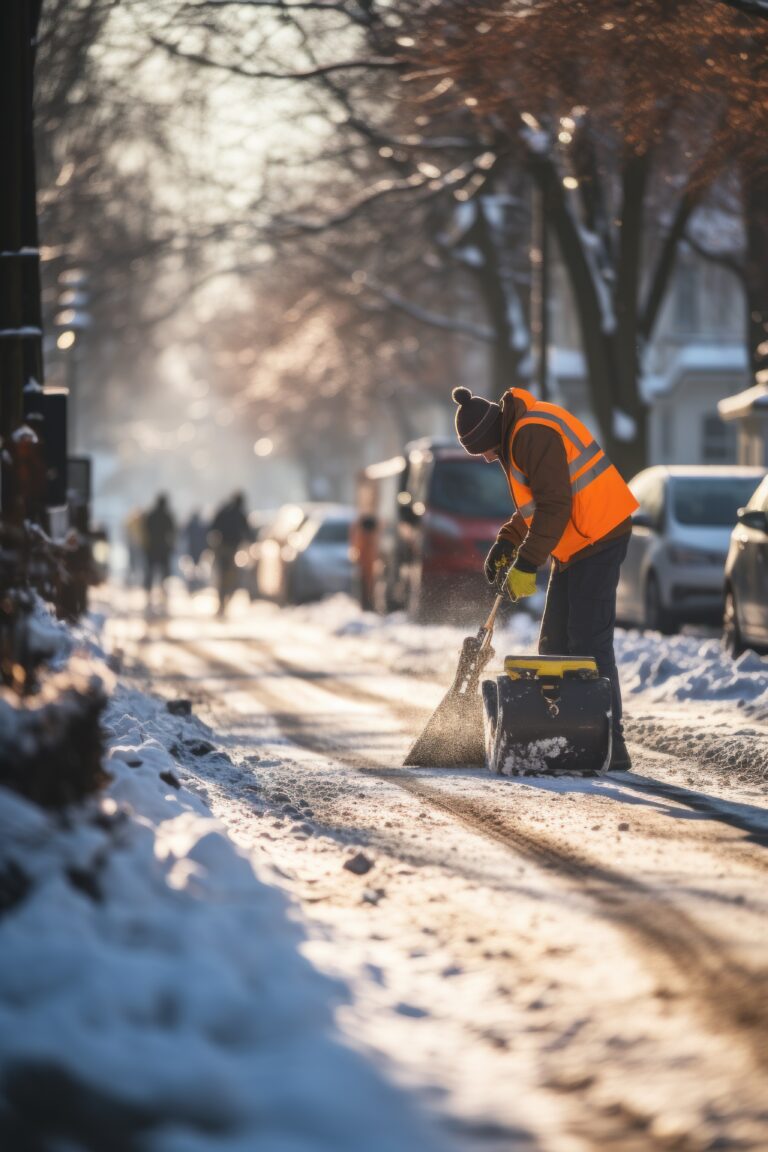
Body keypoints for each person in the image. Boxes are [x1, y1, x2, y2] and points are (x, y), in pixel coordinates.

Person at [452, 385, 638, 771]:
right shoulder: (518, 431)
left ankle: (610, 743)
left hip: (599, 534)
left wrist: (526, 563)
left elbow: (555, 503)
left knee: (588, 642)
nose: (487, 459)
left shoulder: (530, 433)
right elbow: (538, 501)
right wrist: (508, 540)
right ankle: (571, 732)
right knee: (554, 642)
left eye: (483, 451)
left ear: (489, 437)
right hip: (576, 542)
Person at [209, 491, 250, 616]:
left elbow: (213, 527)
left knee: (223, 577)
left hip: (224, 547)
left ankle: (222, 602)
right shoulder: (239, 513)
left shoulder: (225, 511)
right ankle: (223, 601)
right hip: (230, 548)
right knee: (230, 577)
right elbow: (247, 531)